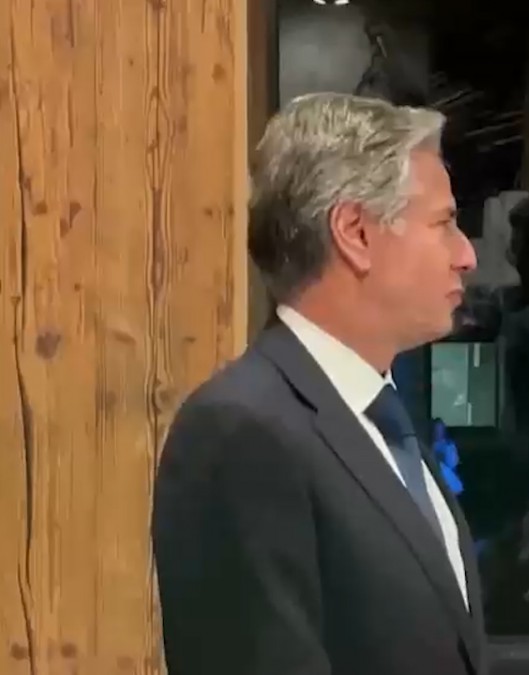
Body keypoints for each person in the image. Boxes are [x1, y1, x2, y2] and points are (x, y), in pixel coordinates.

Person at [152, 93, 484, 675]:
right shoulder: (241, 432)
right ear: (355, 232)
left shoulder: (384, 420)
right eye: (444, 223)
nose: (467, 255)